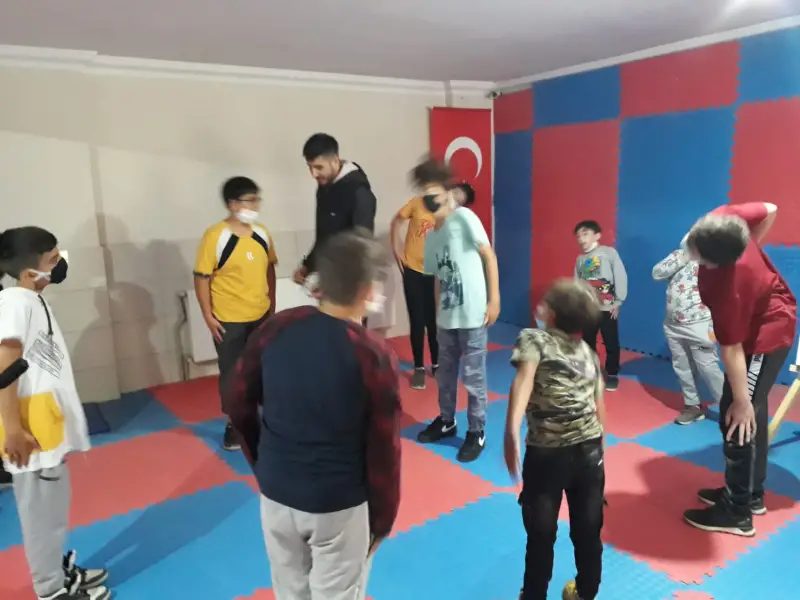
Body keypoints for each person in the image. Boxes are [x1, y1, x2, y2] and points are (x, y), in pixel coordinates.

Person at [226, 229, 402, 600]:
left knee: (290, 591)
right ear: (366, 290)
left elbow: (238, 400)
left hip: (276, 493)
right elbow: (383, 446)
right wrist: (383, 519)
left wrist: (264, 461)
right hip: (337, 503)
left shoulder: (277, 327)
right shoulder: (371, 353)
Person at [0, 227, 110, 600]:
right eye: (53, 259)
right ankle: (50, 589)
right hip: (30, 428)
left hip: (46, 423)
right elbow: (5, 367)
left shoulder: (32, 299)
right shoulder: (14, 303)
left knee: (53, 510)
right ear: (30, 271)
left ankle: (56, 571)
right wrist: (12, 429)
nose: (60, 263)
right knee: (40, 516)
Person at [682, 202, 796, 537]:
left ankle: (737, 512)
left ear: (719, 262)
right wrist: (753, 244)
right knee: (746, 409)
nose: (694, 257)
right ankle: (750, 494)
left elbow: (731, 350)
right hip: (755, 320)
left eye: (701, 258)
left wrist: (741, 402)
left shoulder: (726, 285)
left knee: (737, 414)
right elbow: (771, 208)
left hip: (767, 332)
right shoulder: (726, 217)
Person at [504, 279, 607, 600]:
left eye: (544, 304)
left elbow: (524, 379)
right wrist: (601, 456)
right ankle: (586, 592)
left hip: (547, 454)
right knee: (588, 530)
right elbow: (599, 407)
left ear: (551, 314)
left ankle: (534, 595)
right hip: (589, 453)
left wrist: (511, 431)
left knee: (541, 533)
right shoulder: (590, 354)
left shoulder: (534, 339)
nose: (539, 308)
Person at [416, 176, 501, 463]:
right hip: (446, 318)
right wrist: (438, 312)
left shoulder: (464, 217)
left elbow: (488, 256)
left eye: (436, 193)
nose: (432, 199)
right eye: (425, 194)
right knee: (445, 374)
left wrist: (494, 299)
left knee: (474, 377)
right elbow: (437, 278)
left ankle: (477, 430)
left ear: (447, 195)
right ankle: (446, 420)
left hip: (473, 314)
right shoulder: (431, 235)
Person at [193, 177, 279, 451]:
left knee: (262, 370)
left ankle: (263, 418)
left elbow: (269, 268)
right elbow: (202, 277)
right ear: (232, 204)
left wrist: (272, 304)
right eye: (249, 200)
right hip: (228, 318)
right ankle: (234, 424)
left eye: (257, 200)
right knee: (232, 373)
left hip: (260, 313)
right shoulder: (215, 236)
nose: (255, 206)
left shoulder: (262, 233)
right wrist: (208, 316)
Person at [293, 133, 377, 291]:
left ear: (335, 161)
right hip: (328, 279)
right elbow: (324, 236)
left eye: (319, 167)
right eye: (310, 167)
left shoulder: (359, 193)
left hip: (348, 285)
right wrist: (308, 266)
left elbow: (361, 247)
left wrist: (338, 284)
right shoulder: (324, 188)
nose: (313, 174)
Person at [653, 249, 724, 425]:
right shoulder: (679, 255)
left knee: (708, 367)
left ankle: (730, 408)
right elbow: (657, 273)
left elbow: (723, 292)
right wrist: (683, 258)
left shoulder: (713, 261)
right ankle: (693, 406)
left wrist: (715, 324)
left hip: (700, 324)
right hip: (673, 324)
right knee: (682, 366)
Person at [390, 158, 443, 389]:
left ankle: (437, 365)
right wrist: (397, 252)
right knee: (417, 320)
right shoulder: (415, 204)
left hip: (433, 270)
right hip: (412, 269)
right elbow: (395, 223)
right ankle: (419, 368)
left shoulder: (442, 208)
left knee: (433, 320)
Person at [574, 221, 627, 391]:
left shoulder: (608, 253)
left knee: (611, 342)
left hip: (607, 307)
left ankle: (612, 373)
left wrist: (618, 301)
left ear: (597, 235)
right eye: (578, 236)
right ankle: (591, 371)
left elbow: (619, 276)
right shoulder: (580, 259)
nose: (581, 238)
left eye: (585, 234)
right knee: (587, 341)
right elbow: (578, 283)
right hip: (588, 308)